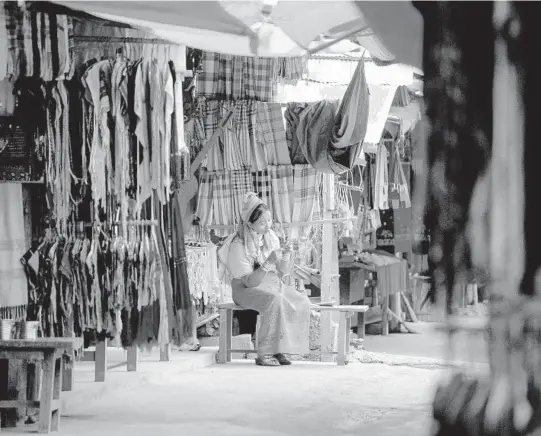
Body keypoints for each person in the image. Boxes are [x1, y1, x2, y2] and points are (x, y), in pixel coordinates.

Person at [218, 192, 311, 366]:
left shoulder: (270, 237)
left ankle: (281, 349)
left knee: (300, 301)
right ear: (250, 224)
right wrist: (268, 262)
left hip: (271, 284)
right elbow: (250, 282)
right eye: (262, 222)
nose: (268, 225)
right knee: (274, 300)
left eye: (269, 220)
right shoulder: (238, 245)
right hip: (244, 290)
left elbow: (282, 273)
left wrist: (287, 254)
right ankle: (265, 353)